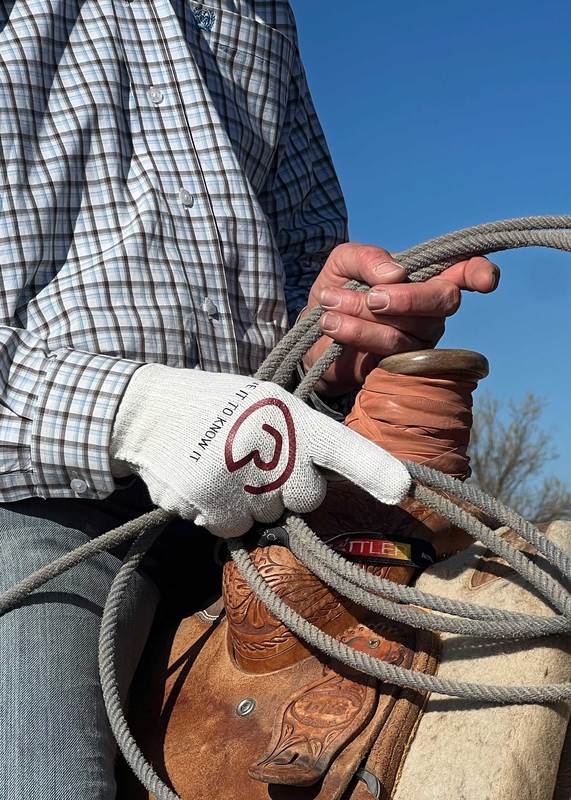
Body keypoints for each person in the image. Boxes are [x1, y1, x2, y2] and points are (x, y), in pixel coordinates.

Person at [0, 2, 499, 798]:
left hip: (267, 457)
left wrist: (335, 332)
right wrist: (138, 410)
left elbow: (301, 245)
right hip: (37, 498)